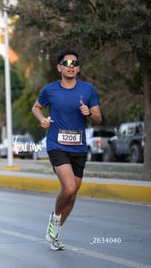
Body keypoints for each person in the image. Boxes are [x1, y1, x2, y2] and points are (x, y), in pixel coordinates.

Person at [31, 50, 102, 251]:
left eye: (74, 63)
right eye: (66, 62)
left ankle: (55, 232)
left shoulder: (88, 90)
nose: (70, 65)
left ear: (78, 68)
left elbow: (98, 117)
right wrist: (42, 119)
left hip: (79, 147)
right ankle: (54, 218)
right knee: (69, 187)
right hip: (56, 144)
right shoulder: (50, 90)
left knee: (73, 194)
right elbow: (36, 108)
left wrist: (89, 113)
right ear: (59, 67)